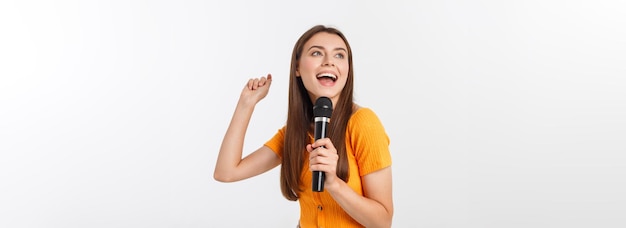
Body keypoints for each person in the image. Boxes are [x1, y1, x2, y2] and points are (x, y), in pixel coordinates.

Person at [214, 25, 393, 228]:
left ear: (347, 70)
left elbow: (383, 222)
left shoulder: (364, 123)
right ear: (297, 68)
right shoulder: (295, 132)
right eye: (317, 53)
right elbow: (226, 172)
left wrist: (334, 184)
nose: (329, 61)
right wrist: (246, 104)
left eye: (339, 55)